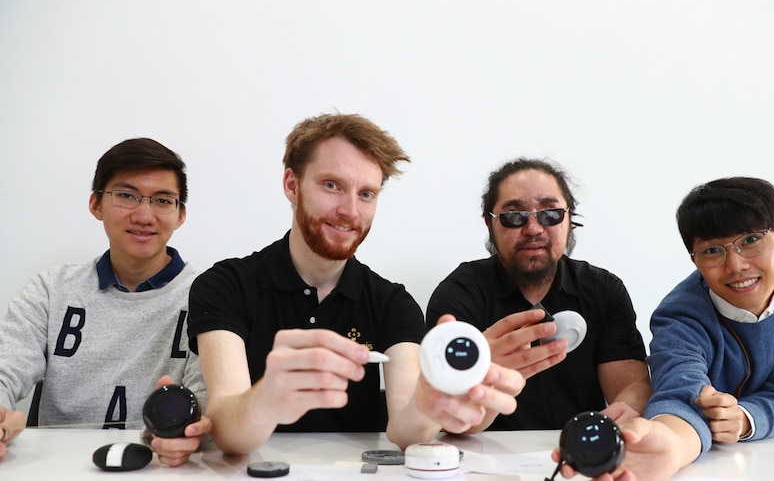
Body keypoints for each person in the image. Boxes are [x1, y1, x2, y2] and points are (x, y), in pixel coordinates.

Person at [186, 113, 524, 456]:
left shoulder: (392, 302)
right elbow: (227, 431)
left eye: (366, 194)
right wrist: (266, 399)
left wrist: (428, 404)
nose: (349, 210)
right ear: (291, 184)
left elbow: (405, 431)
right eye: (332, 185)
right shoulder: (223, 285)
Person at [551, 176, 774, 480]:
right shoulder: (679, 314)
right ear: (694, 259)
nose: (736, 266)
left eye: (750, 240)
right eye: (712, 251)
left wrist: (744, 419)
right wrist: (670, 445)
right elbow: (679, 392)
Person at [0, 137, 211, 465]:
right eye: (126, 196)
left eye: (162, 201)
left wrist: (191, 434)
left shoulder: (208, 295)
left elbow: (209, 402)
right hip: (53, 467)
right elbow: (6, 366)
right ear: (96, 204)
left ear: (180, 214)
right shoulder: (51, 289)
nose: (144, 215)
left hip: (162, 466)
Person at [426, 157, 651, 430]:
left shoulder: (603, 290)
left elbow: (630, 384)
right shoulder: (459, 294)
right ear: (490, 225)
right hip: (485, 457)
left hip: (579, 453)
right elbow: (452, 413)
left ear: (569, 219)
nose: (533, 229)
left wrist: (622, 413)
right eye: (513, 217)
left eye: (550, 214)